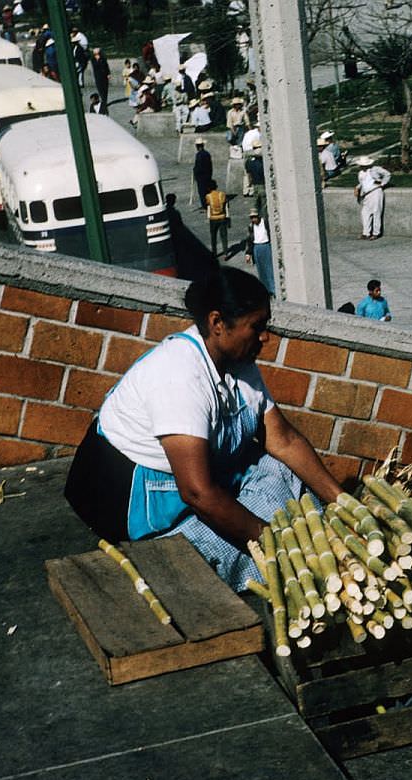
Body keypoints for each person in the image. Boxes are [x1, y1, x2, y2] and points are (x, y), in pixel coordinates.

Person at [63, 270, 344, 590]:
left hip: (201, 478)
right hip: (137, 504)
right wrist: (278, 545)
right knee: (213, 554)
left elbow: (285, 440)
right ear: (217, 323)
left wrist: (344, 502)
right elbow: (198, 493)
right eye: (257, 327)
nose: (265, 337)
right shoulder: (179, 376)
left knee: (286, 471)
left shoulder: (238, 361)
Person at [354, 155, 391, 240]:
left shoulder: (375, 169)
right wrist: (357, 187)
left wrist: (382, 184)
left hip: (375, 192)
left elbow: (387, 174)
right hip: (366, 194)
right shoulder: (360, 173)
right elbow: (363, 183)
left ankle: (375, 233)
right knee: (365, 213)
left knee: (376, 212)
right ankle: (366, 232)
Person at [245, 209, 275, 293]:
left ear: (258, 216)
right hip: (257, 247)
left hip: (266, 246)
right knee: (261, 270)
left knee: (269, 269)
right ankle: (266, 290)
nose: (253, 219)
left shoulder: (265, 223)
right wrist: (248, 253)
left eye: (254, 217)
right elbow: (250, 240)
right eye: (251, 217)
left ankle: (273, 289)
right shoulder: (251, 226)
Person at [205, 180, 230, 258]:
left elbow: (208, 208)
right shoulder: (222, 194)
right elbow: (226, 207)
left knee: (213, 237)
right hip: (222, 217)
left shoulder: (208, 196)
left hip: (213, 218)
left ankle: (214, 253)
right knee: (224, 236)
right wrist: (228, 217)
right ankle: (226, 253)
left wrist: (208, 217)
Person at [240, 122, 263, 197]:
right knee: (254, 171)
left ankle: (245, 190)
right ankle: (252, 191)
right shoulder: (258, 135)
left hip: (245, 152)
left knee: (247, 173)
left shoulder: (249, 132)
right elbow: (257, 146)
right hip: (253, 152)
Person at [193, 138, 213, 209]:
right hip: (207, 175)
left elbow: (198, 166)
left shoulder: (199, 155)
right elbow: (210, 166)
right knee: (207, 190)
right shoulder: (207, 154)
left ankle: (205, 205)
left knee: (202, 192)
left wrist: (195, 172)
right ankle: (209, 203)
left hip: (201, 176)